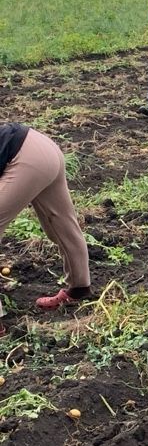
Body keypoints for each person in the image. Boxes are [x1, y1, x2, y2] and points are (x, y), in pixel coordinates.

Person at [0, 124, 94, 335]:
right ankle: (80, 289)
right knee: (61, 224)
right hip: (44, 147)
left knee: (61, 223)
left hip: (24, 155)